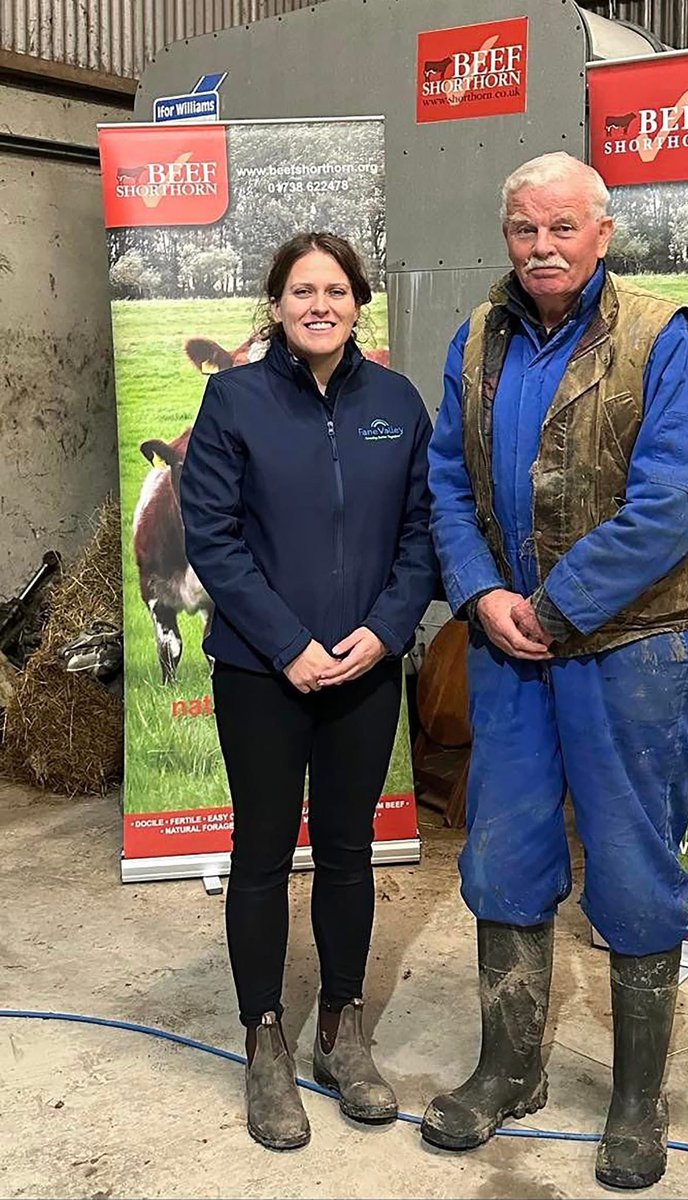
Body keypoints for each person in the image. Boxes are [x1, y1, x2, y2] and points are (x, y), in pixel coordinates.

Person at [423, 153, 688, 1189]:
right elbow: (447, 481)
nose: (542, 247)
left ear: (602, 233)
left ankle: (638, 1101)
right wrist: (481, 594)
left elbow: (673, 503)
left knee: (634, 869)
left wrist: (553, 607)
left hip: (633, 645)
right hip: (511, 644)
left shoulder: (658, 336)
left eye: (562, 228)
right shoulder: (478, 337)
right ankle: (508, 1071)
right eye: (524, 228)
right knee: (502, 856)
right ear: (505, 235)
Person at [180, 232, 437, 1150]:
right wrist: (288, 645)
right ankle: (264, 1042)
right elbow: (212, 539)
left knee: (347, 849)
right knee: (260, 852)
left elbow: (422, 530)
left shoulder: (396, 403)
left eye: (335, 290)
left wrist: (385, 631)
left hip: (364, 670)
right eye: (301, 291)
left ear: (358, 303)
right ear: (277, 305)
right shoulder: (233, 400)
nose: (319, 305)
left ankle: (340, 1030)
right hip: (263, 672)